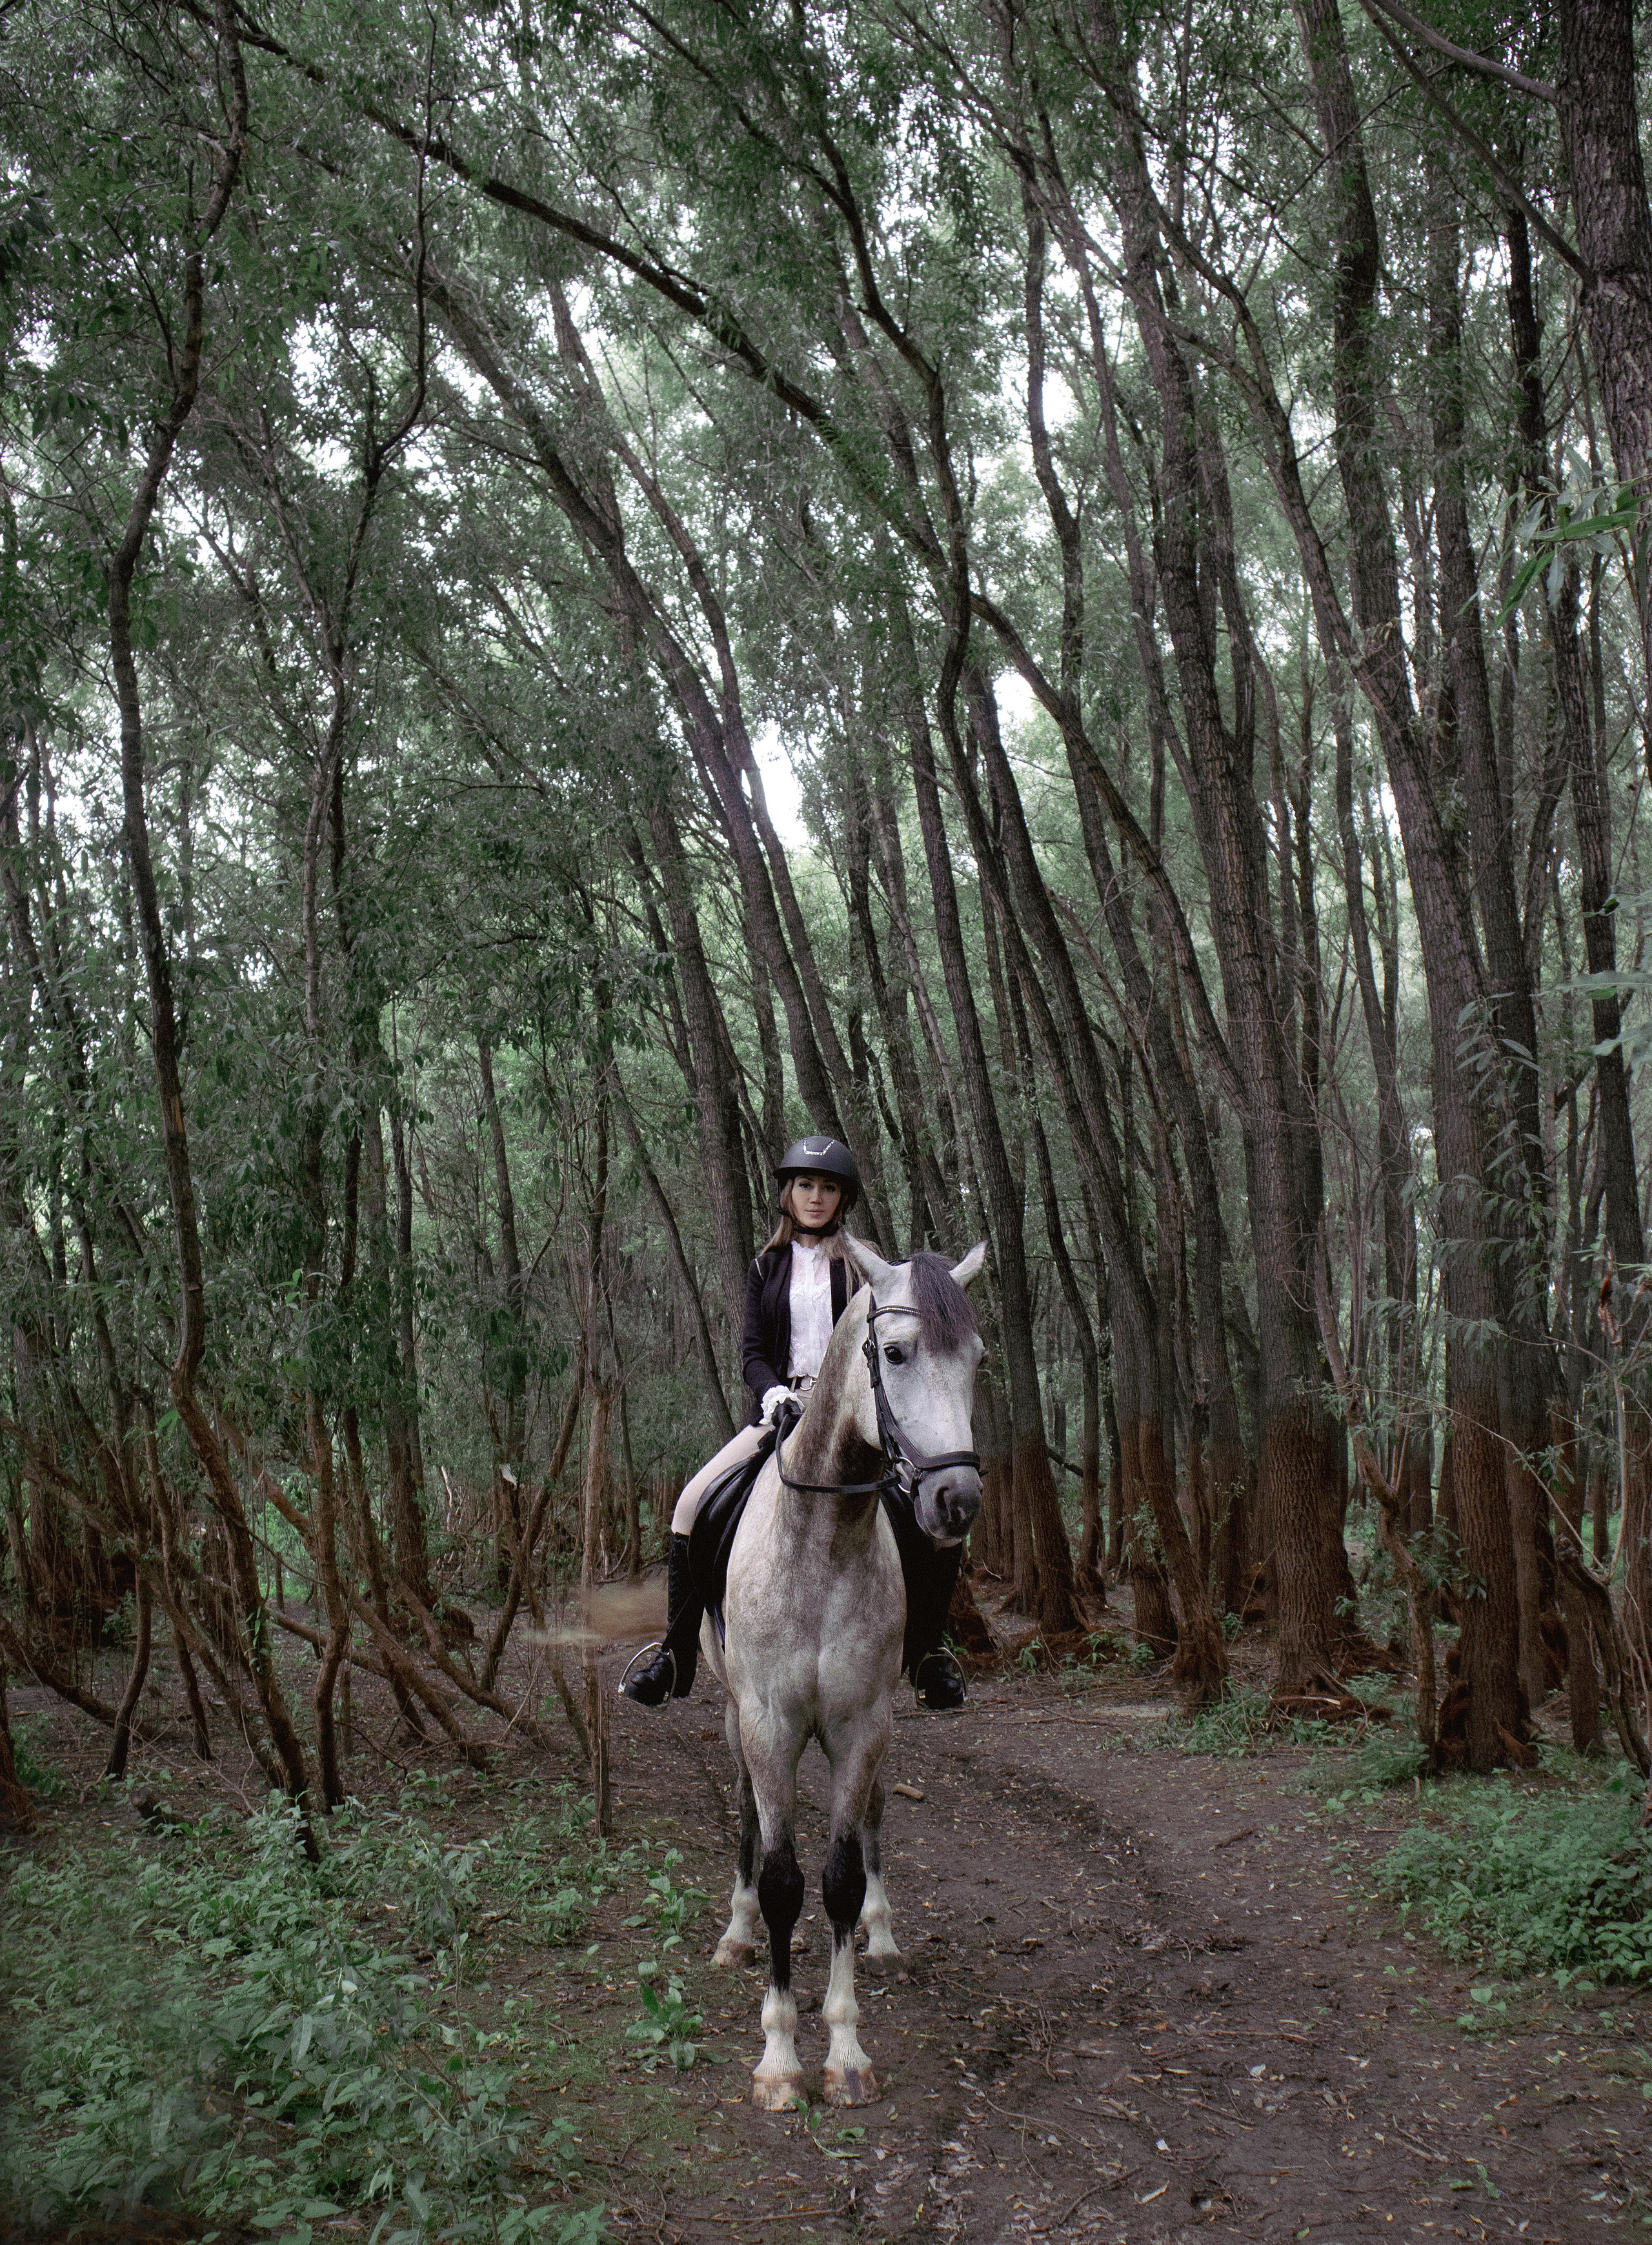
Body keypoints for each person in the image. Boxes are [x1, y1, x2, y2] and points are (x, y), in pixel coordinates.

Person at [621, 1134, 969, 1712]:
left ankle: (929, 1652)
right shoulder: (767, 1265)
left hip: (854, 1421)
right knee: (688, 1504)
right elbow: (753, 1353)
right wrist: (774, 1392)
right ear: (788, 1192)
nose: (815, 1196)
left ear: (842, 1198)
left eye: (827, 1187)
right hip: (782, 1411)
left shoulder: (866, 1268)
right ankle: (676, 1651)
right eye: (806, 1185)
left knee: (942, 1524)